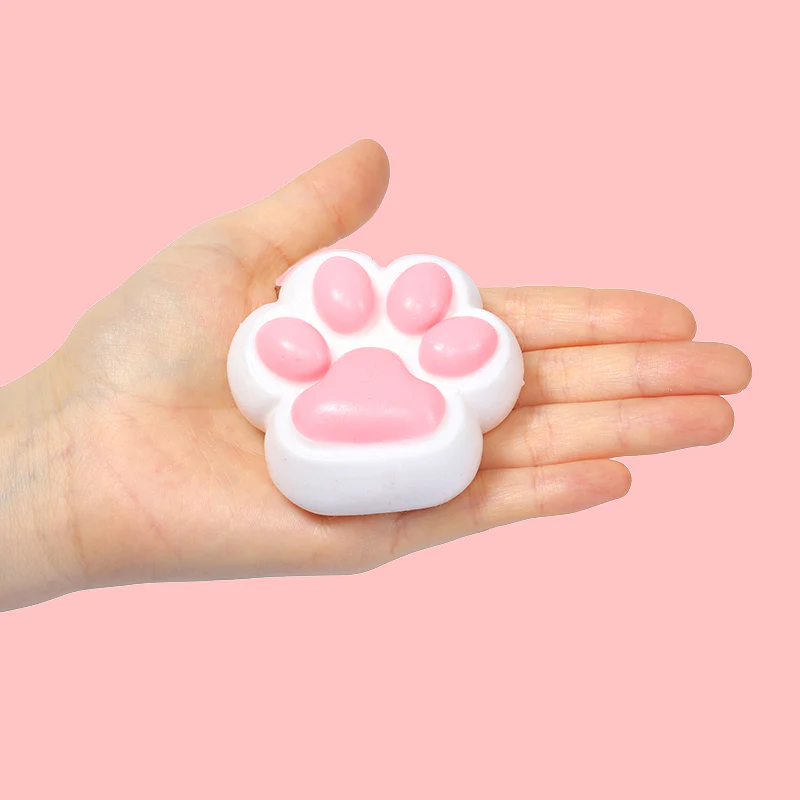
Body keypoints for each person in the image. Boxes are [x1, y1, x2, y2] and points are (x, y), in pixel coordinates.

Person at [0, 140, 752, 612]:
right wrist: (55, 469)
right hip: (391, 405)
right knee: (413, 355)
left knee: (398, 357)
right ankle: (407, 360)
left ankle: (369, 362)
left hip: (382, 410)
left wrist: (52, 463)